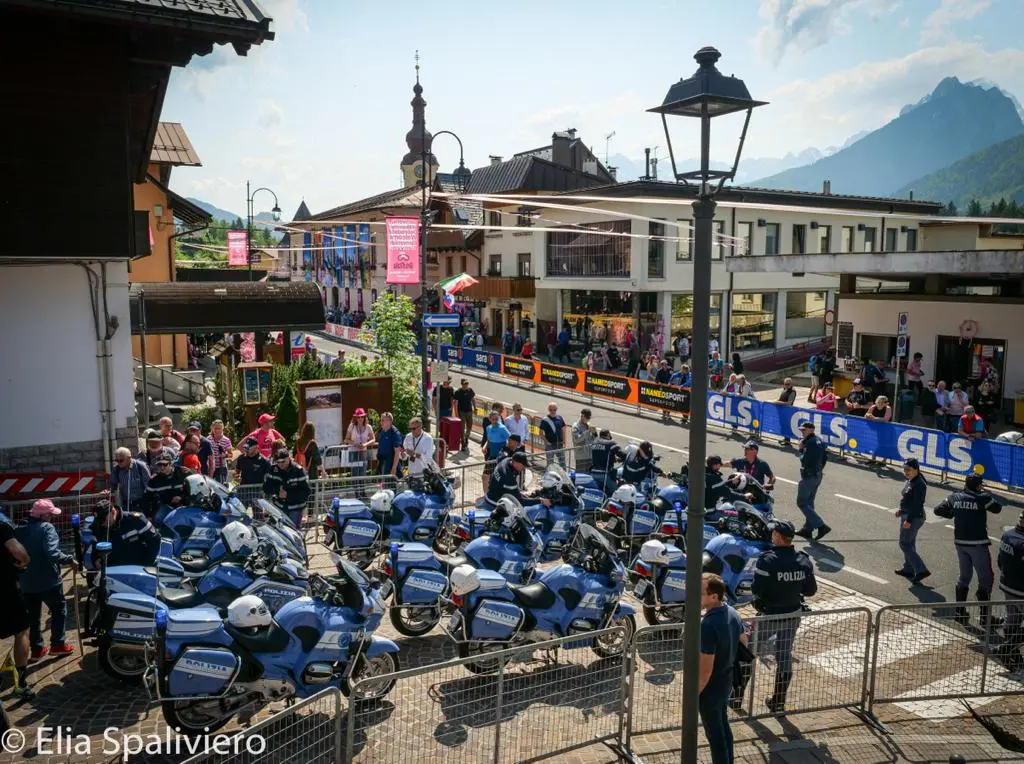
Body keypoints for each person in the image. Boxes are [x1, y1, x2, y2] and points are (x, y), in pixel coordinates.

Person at [751, 519, 817, 713]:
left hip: (769, 616)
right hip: (793, 615)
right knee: (784, 655)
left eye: (773, 534)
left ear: (778, 537)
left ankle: (735, 698)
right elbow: (811, 590)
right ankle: (778, 702)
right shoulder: (803, 560)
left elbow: (757, 589)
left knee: (747, 652)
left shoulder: (768, 559)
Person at [934, 474, 1003, 627]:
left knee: (964, 576)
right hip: (978, 544)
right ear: (979, 486)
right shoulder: (982, 498)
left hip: (960, 543)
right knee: (986, 578)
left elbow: (938, 510)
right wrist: (985, 494)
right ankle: (985, 618)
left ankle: (960, 613)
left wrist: (953, 512)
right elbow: (997, 509)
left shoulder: (955, 497)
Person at [15, 500, 76, 659]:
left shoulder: (19, 530)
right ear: (45, 515)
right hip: (49, 580)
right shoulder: (47, 528)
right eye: (50, 514)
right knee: (58, 611)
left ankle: (36, 650)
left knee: (33, 617)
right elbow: (53, 554)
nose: (52, 517)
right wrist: (69, 558)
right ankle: (58, 644)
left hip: (26, 582)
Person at [698, 573, 745, 764]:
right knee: (723, 727)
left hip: (711, 688)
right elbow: (744, 641)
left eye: (700, 592)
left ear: (714, 596)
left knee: (715, 735)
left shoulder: (708, 625)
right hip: (726, 680)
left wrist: (694, 692)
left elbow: (706, 669)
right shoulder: (733, 612)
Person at [0, 512, 34, 698]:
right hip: (4, 589)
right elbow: (17, 551)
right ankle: (21, 683)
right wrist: (25, 560)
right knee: (22, 631)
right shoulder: (2, 527)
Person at [90, 499, 161, 567]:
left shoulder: (136, 520)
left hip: (136, 567)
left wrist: (146, 564)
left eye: (103, 519)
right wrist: (96, 560)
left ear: (113, 512)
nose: (102, 523)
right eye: (99, 520)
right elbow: (94, 544)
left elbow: (155, 539)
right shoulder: (98, 525)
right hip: (111, 569)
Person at [894, 458, 930, 584]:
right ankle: (908, 569)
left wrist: (908, 520)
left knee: (904, 544)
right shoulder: (913, 479)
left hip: (914, 517)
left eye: (908, 470)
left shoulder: (919, 483)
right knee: (910, 543)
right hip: (908, 514)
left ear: (916, 469)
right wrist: (901, 510)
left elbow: (917, 504)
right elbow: (908, 499)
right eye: (904, 469)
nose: (906, 472)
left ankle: (921, 570)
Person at [996, 512, 1024, 669]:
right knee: (1013, 621)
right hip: (1021, 590)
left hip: (1006, 585)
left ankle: (1013, 656)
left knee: (1012, 620)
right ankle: (1005, 649)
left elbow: (1000, 561)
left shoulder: (1007, 535)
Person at [794, 421, 830, 541]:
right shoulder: (818, 440)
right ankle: (807, 529)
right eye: (801, 430)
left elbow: (806, 460)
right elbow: (825, 458)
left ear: (811, 430)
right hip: (817, 474)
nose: (802, 432)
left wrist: (800, 449)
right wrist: (819, 470)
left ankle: (821, 526)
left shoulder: (810, 442)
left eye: (804, 430)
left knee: (802, 502)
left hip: (809, 476)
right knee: (809, 503)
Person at [263, 448, 311, 528]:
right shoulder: (272, 470)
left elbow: (307, 491)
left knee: (294, 533)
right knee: (280, 533)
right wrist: (278, 491)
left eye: (283, 461)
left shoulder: (299, 471)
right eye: (278, 462)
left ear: (289, 458)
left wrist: (288, 495)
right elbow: (266, 487)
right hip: (279, 507)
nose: (281, 464)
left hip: (296, 508)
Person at [484, 452, 548, 508]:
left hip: (490, 495)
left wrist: (519, 492)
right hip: (495, 503)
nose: (523, 468)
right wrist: (540, 501)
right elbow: (520, 502)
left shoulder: (506, 460)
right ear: (516, 463)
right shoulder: (508, 476)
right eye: (523, 466)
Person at [144, 448, 193, 517]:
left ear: (171, 464)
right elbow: (146, 499)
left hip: (185, 504)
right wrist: (148, 516)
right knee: (158, 518)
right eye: (159, 465)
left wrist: (182, 498)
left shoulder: (183, 473)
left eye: (164, 464)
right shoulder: (154, 480)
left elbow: (193, 490)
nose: (162, 467)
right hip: (166, 506)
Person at [109, 446, 150, 514]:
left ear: (129, 458)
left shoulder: (141, 466)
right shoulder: (116, 469)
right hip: (126, 504)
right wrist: (108, 490)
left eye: (121, 460)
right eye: (117, 460)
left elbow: (148, 486)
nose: (118, 463)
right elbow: (113, 484)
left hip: (141, 504)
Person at [481, 410, 511, 494]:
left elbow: (510, 439)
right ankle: (486, 495)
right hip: (492, 456)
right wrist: (485, 446)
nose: (495, 421)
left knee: (500, 478)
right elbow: (489, 439)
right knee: (485, 476)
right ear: (489, 419)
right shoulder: (488, 428)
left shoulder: (502, 428)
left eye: (497, 419)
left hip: (502, 458)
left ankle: (502, 494)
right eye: (493, 419)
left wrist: (506, 451)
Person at [590, 429, 625, 496]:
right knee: (617, 494)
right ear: (608, 435)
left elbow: (602, 454)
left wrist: (614, 458)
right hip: (605, 474)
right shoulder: (611, 443)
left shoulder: (595, 442)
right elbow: (622, 454)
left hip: (593, 473)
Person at [345, 408, 376, 477]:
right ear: (355, 418)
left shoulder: (368, 427)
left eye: (362, 416)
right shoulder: (352, 426)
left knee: (362, 473)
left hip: (363, 452)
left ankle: (362, 488)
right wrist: (355, 444)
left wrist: (365, 444)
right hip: (353, 452)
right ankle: (355, 488)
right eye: (358, 417)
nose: (360, 418)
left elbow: (373, 439)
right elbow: (346, 440)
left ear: (364, 417)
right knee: (355, 473)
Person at [375, 412, 403, 480]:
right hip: (382, 462)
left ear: (389, 421)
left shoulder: (395, 433)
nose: (381, 422)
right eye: (381, 420)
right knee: (382, 485)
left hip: (390, 463)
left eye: (383, 420)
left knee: (390, 486)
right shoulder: (382, 431)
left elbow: (397, 453)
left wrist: (393, 468)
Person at [540, 401, 567, 467]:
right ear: (548, 410)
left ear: (556, 409)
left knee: (562, 462)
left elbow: (563, 429)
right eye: (551, 409)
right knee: (550, 464)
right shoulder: (545, 420)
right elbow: (540, 433)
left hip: (559, 443)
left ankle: (564, 475)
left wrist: (564, 441)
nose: (553, 411)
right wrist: (547, 442)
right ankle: (550, 476)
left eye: (554, 409)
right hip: (550, 445)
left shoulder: (559, 418)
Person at [453, 379, 476, 451]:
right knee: (462, 428)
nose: (466, 385)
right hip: (461, 412)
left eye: (467, 384)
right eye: (464, 384)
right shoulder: (458, 392)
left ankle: (466, 438)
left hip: (469, 411)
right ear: (461, 384)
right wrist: (456, 414)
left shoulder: (470, 390)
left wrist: (475, 408)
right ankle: (463, 443)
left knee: (469, 426)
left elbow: (473, 399)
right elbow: (455, 403)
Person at [209, 420, 232, 484]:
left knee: (222, 486)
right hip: (210, 467)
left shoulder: (226, 440)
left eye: (219, 428)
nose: (217, 430)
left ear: (222, 429)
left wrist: (225, 455)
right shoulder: (208, 439)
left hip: (222, 468)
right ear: (212, 428)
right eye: (215, 428)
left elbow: (230, 454)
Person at [776, 378, 797, 447]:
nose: (786, 385)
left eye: (788, 384)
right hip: (782, 410)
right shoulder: (784, 389)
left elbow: (789, 403)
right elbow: (781, 398)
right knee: (783, 425)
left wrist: (779, 402)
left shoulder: (792, 391)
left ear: (791, 384)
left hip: (787, 411)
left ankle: (787, 441)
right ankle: (785, 438)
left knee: (786, 425)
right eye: (785, 384)